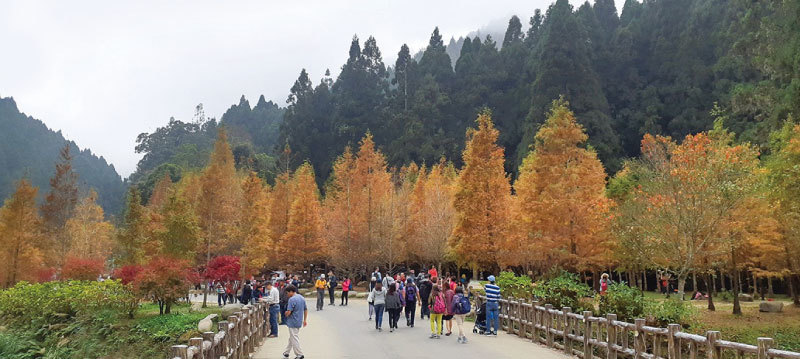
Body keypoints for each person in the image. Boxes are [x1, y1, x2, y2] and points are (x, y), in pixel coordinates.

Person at [283, 285, 307, 359]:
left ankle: (299, 354)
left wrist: (285, 313)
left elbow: (289, 311)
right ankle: (286, 352)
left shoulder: (292, 299)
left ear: (291, 292)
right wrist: (305, 320)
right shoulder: (301, 297)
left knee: (294, 337)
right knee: (292, 337)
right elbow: (305, 309)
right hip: (299, 320)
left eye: (287, 293)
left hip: (292, 321)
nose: (287, 294)